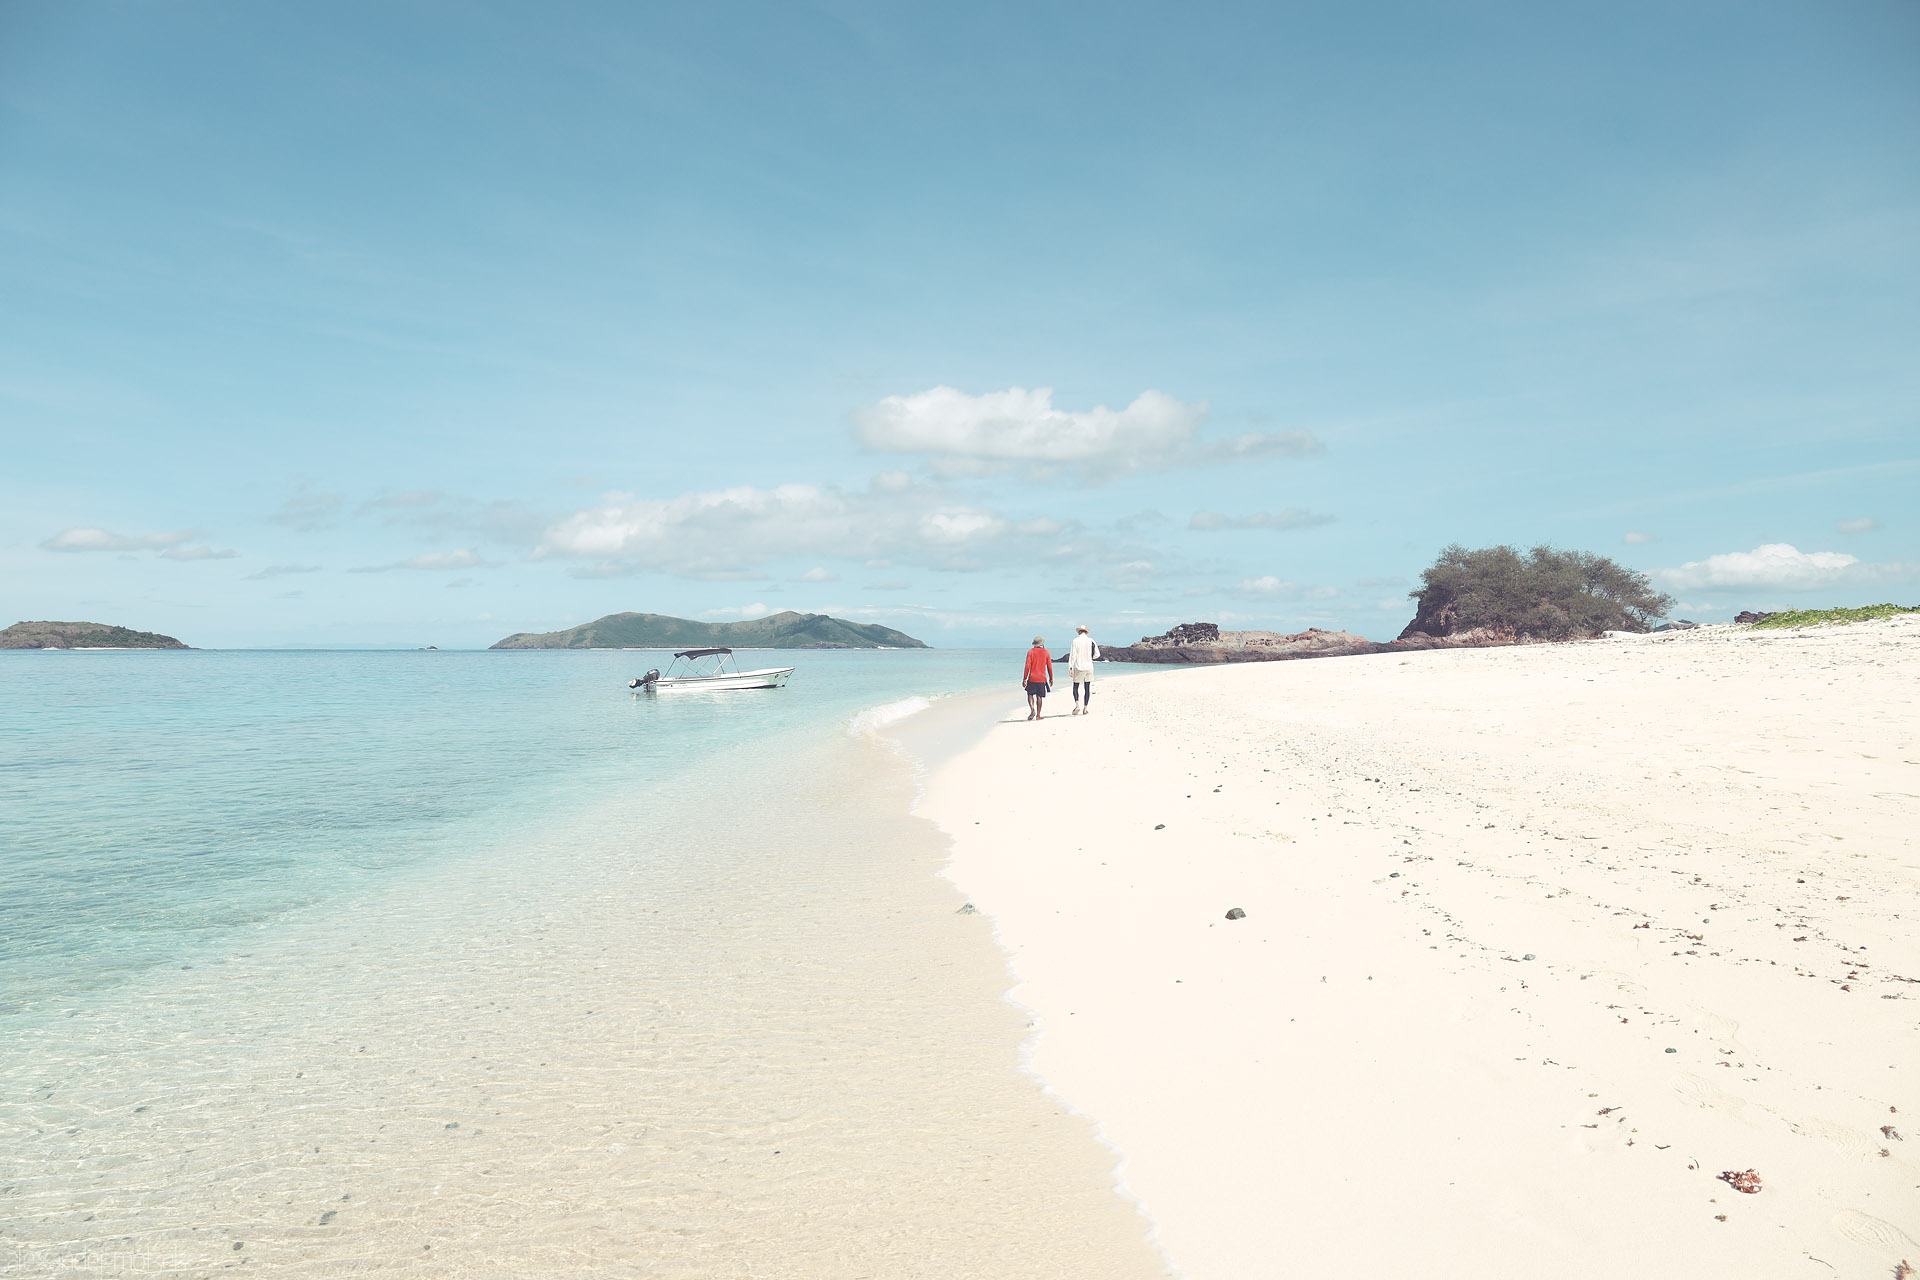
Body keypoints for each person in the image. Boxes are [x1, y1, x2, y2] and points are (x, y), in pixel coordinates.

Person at [1057, 624, 1100, 714]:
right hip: (1089, 666)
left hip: (1079, 666)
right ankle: (1085, 708)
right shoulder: (1091, 640)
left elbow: (1073, 655)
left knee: (1075, 686)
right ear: (1086, 632)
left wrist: (1070, 667)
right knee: (1087, 688)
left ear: (1079, 631)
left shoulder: (1075, 641)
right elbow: (1097, 654)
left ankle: (1077, 705)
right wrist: (1090, 658)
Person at [1021, 635, 1053, 720]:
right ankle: (1038, 716)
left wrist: (1024, 679)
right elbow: (1049, 667)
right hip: (1042, 678)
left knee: (1030, 694)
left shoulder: (1030, 652)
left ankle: (1032, 709)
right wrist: (1051, 678)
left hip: (1032, 677)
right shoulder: (1046, 652)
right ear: (1042, 644)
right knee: (1039, 696)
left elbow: (1027, 666)